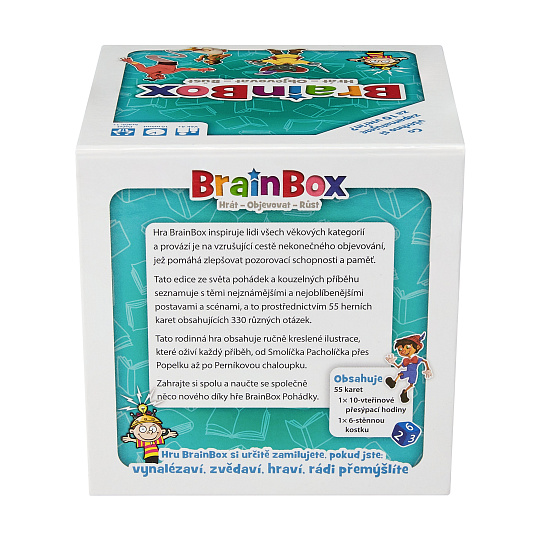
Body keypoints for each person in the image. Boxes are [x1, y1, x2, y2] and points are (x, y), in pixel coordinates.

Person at [385, 332, 432, 403]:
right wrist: (393, 362)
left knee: (411, 384)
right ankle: (393, 382)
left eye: (407, 347)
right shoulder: (405, 360)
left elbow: (425, 361)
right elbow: (398, 366)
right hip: (408, 371)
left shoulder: (416, 358)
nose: (403, 351)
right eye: (400, 349)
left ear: (417, 347)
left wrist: (428, 369)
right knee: (400, 374)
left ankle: (404, 392)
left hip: (413, 373)